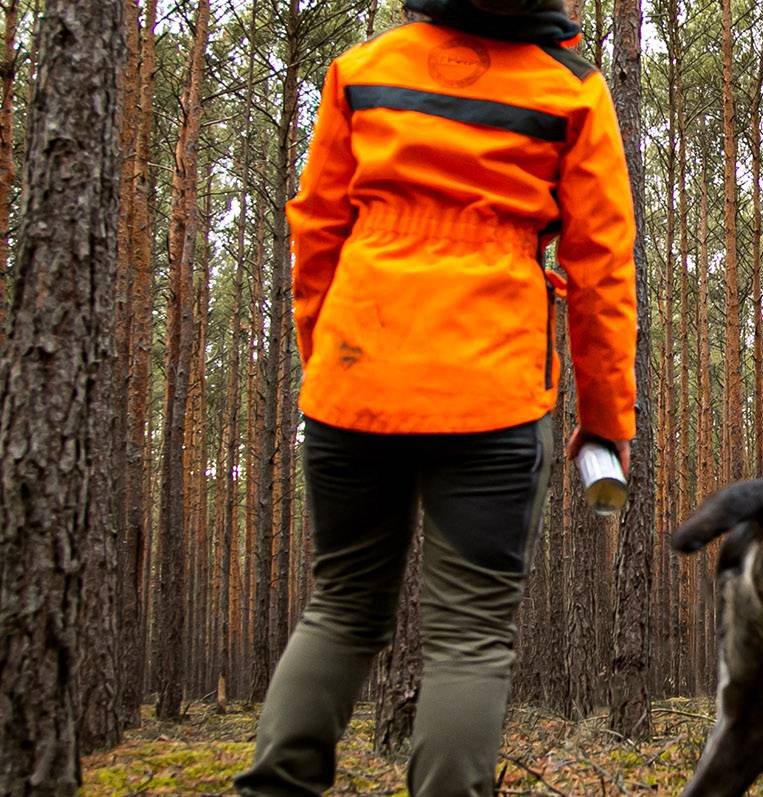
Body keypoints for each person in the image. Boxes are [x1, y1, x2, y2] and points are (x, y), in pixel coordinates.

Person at [234, 0, 636, 793]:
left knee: (341, 604)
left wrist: (329, 364)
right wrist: (604, 422)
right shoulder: (573, 91)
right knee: (471, 637)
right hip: (492, 394)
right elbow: (601, 269)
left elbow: (316, 231)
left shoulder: (366, 69)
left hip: (355, 378)